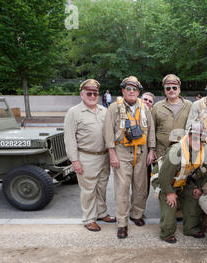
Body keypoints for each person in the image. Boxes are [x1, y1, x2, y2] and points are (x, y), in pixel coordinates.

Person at [103, 76, 156, 239]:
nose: (131, 92)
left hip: (141, 152)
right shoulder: (114, 108)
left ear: (139, 92)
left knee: (140, 187)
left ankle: (137, 214)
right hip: (122, 151)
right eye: (128, 89)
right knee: (122, 189)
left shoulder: (144, 108)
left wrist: (152, 150)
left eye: (135, 89)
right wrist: (112, 153)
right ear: (123, 91)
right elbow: (108, 132)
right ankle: (122, 223)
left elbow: (151, 129)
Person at [64, 79, 116, 231]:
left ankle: (101, 212)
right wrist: (74, 160)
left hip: (104, 156)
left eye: (95, 93)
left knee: (102, 186)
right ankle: (88, 218)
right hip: (86, 156)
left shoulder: (104, 111)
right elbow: (69, 139)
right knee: (88, 189)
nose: (92, 96)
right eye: (89, 93)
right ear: (82, 94)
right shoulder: (74, 112)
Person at [157, 121, 207, 243]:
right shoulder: (176, 151)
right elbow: (163, 177)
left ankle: (190, 228)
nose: (199, 143)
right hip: (166, 182)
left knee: (194, 197)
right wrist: (169, 192)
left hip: (184, 181)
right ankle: (167, 232)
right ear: (189, 136)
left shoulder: (205, 151)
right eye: (196, 139)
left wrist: (199, 188)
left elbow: (205, 173)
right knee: (171, 204)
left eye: (202, 140)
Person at [151, 74, 193, 159]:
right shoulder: (157, 106)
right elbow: (152, 130)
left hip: (182, 151)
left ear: (179, 89)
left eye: (174, 88)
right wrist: (152, 150)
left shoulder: (189, 105)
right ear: (164, 90)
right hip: (161, 152)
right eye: (168, 88)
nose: (171, 90)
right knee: (160, 172)